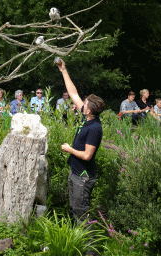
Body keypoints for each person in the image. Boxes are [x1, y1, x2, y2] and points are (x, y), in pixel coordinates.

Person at [55, 60, 104, 229]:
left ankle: (90, 252)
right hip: (75, 173)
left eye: (86, 103)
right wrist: (64, 70)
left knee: (81, 214)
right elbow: (73, 93)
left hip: (83, 177)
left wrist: (69, 149)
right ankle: (78, 244)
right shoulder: (87, 117)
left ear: (89, 110)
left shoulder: (95, 128)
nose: (82, 103)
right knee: (74, 210)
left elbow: (87, 155)